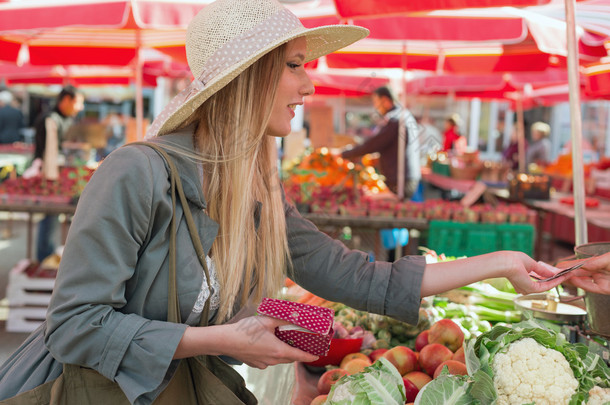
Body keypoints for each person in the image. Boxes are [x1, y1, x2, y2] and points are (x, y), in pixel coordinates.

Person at [0, 0, 569, 403]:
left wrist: (500, 265)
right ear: (246, 79)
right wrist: (223, 341)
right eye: (295, 66)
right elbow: (75, 324)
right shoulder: (135, 173)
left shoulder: (253, 185)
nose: (310, 85)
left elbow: (353, 275)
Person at [27, 86, 84, 262]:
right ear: (66, 100)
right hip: (48, 176)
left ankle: (47, 255)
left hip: (53, 175)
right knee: (49, 215)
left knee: (50, 217)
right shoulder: (51, 119)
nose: (80, 108)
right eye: (78, 103)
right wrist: (54, 181)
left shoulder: (59, 119)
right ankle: (45, 257)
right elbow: (50, 153)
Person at [341, 86, 421, 199]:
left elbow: (374, 144)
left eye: (376, 102)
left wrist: (346, 153)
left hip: (400, 178)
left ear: (385, 100)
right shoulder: (403, 115)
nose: (375, 107)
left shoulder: (395, 120)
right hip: (407, 175)